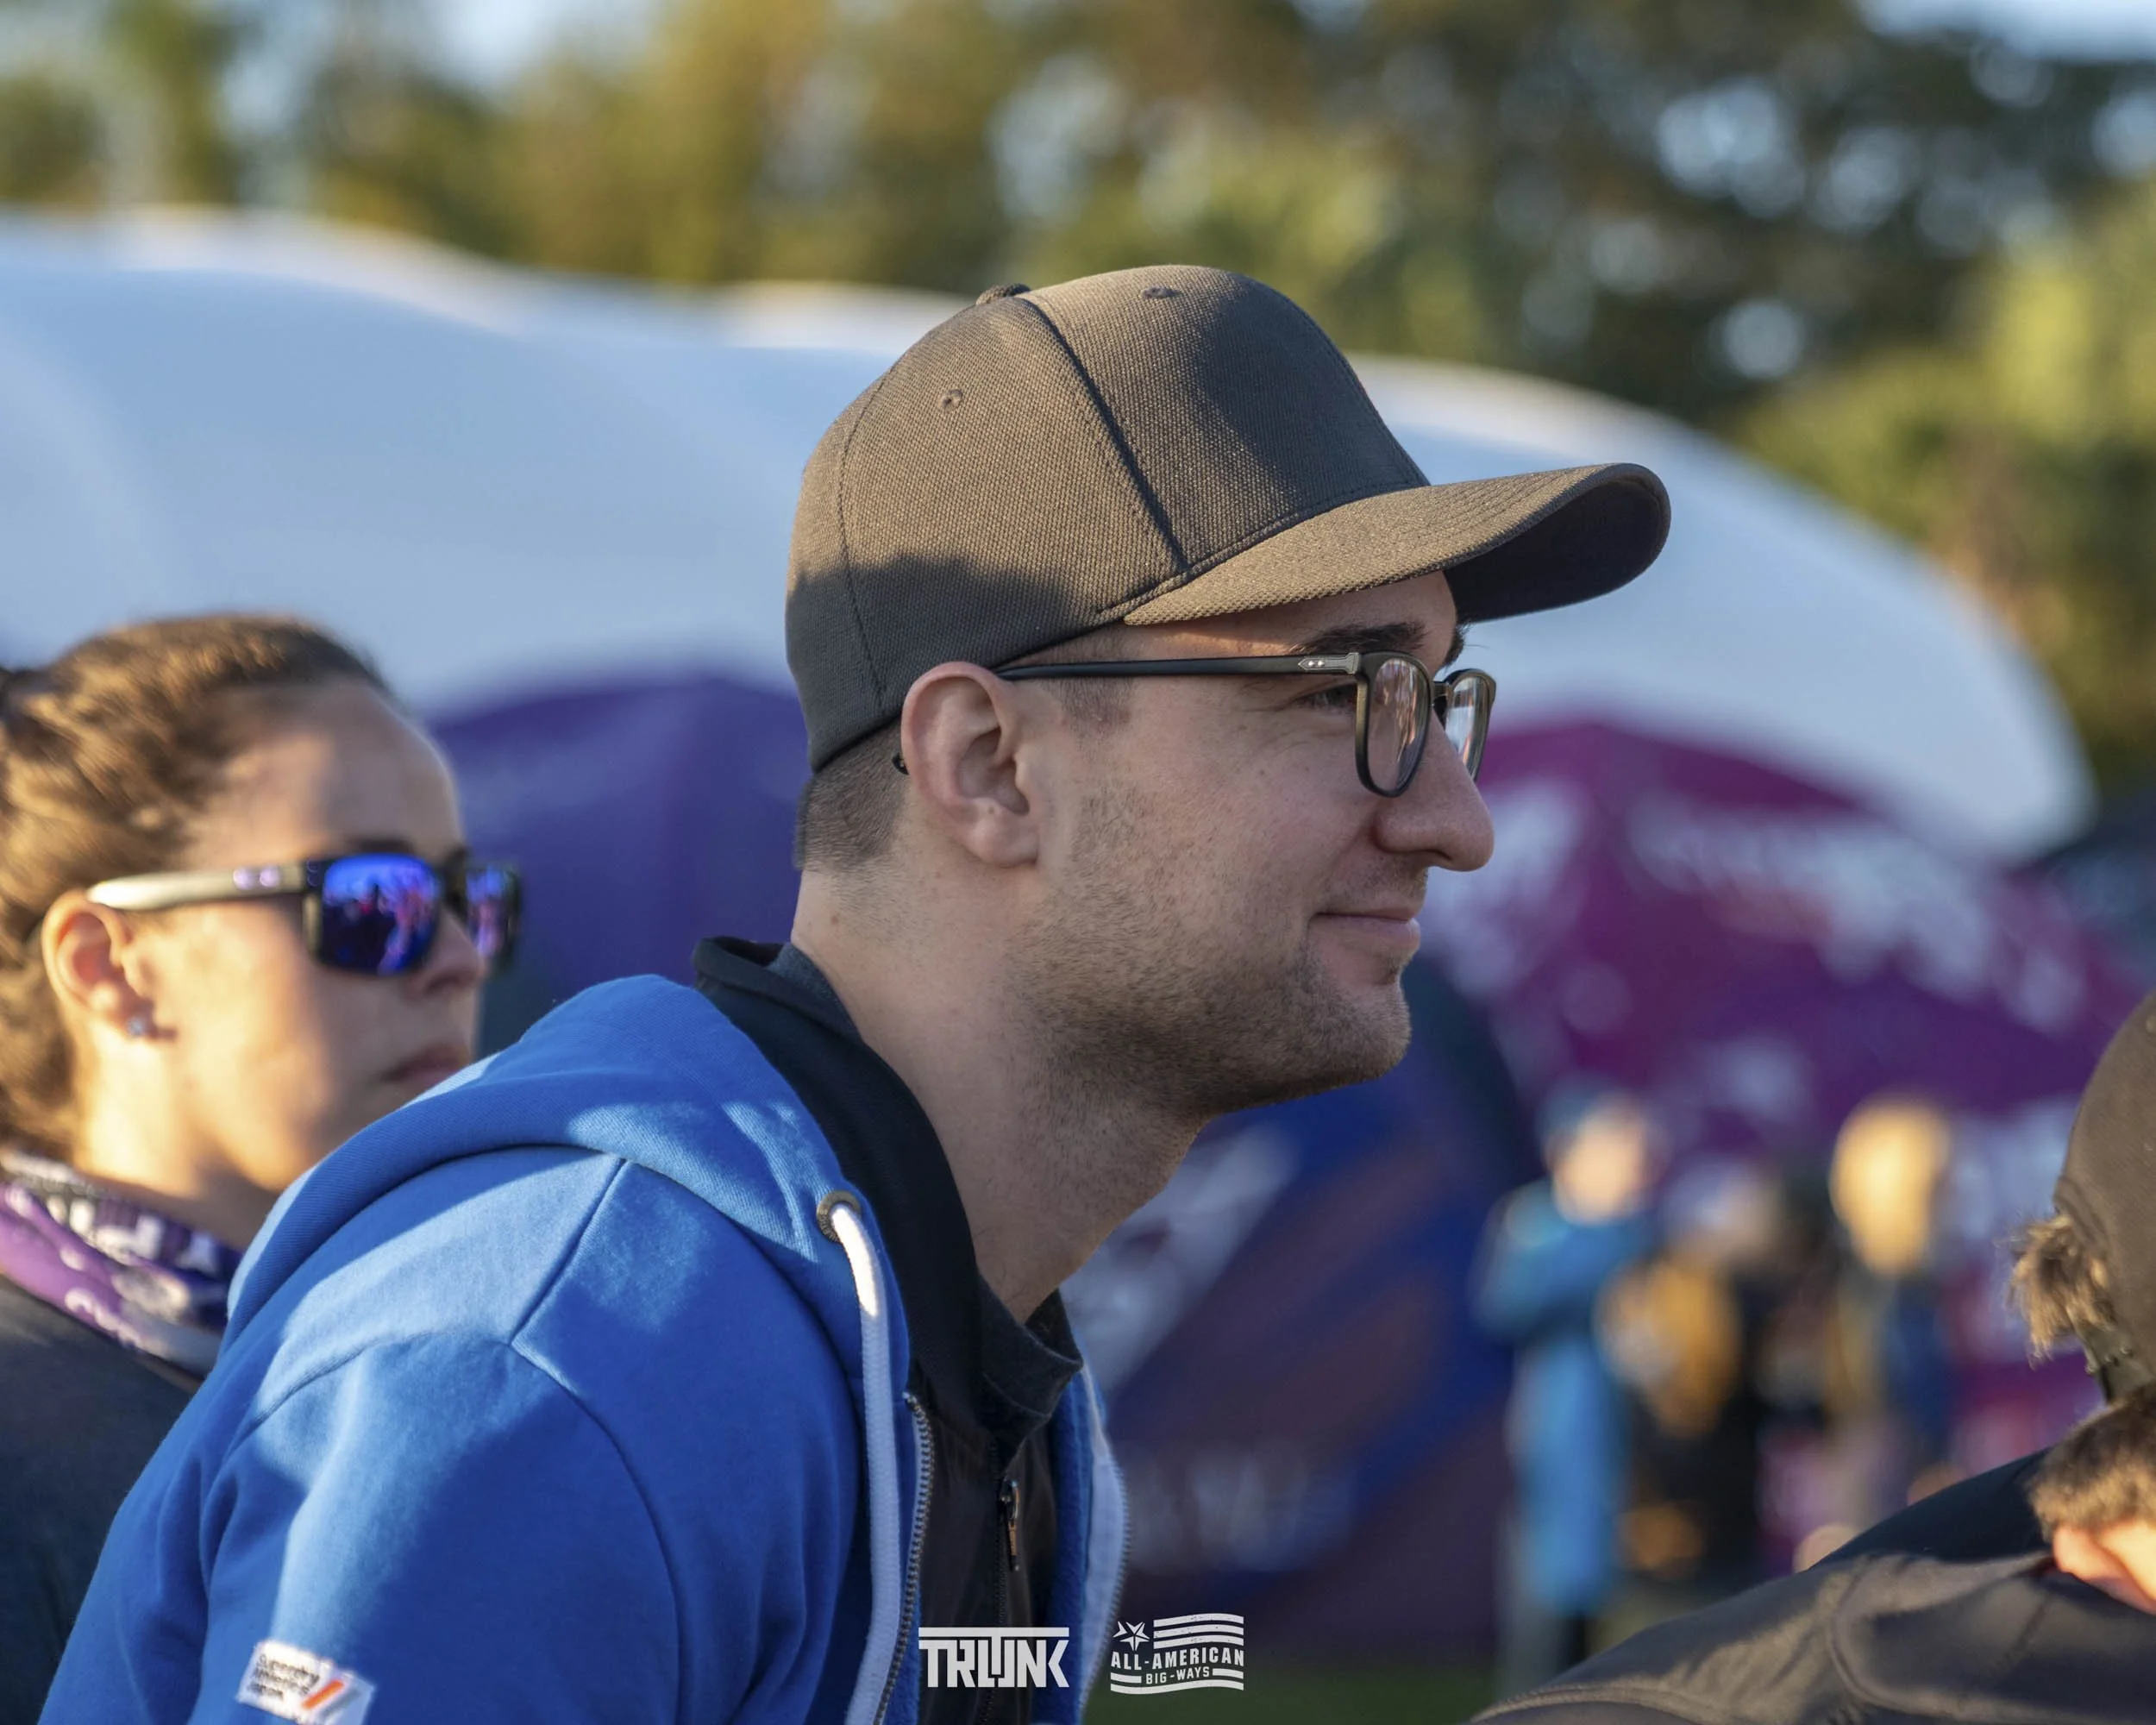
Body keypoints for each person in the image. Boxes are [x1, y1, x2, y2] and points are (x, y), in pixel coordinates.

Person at [44, 265, 1670, 1725]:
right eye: (1350, 695)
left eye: (1445, 697)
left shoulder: (932, 1331)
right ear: (988, 766)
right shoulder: (556, 1369)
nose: (1455, 815)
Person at [0, 617, 516, 1722]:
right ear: (111, 968)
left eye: (468, 895)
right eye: (368, 903)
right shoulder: (22, 1422)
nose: (461, 959)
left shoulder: (427, 1362)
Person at [1470, 991, 2156, 1723]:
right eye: (1939, 1180)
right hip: (1629, 1505)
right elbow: (1523, 1318)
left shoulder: (1887, 1294)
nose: (1958, 1199)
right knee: (1566, 1644)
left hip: (1780, 1534)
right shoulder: (1580, 1243)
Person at [1476, 1085, 1659, 1691]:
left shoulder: (1647, 1235)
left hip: (1635, 1454)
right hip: (1561, 1443)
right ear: (1572, 1154)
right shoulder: (1538, 1226)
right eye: (1619, 1148)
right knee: (1550, 1619)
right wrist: (1603, 1254)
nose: (1636, 1164)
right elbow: (1504, 1310)